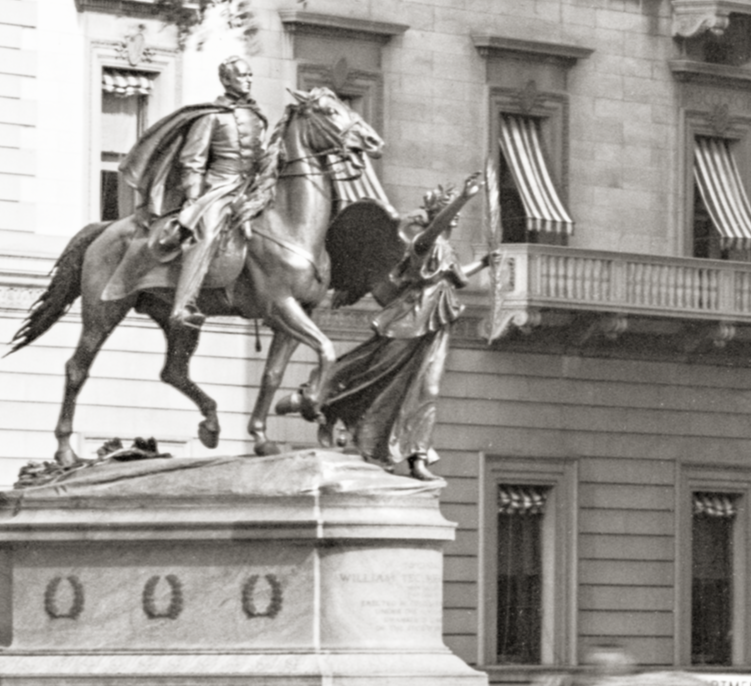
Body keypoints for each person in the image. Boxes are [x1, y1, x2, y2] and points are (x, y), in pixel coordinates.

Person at [282, 175, 497, 482]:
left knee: (428, 390)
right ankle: (320, 400)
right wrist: (463, 197)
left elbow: (457, 277)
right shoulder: (424, 243)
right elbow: (434, 233)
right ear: (437, 216)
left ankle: (417, 457)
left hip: (438, 323)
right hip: (411, 319)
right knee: (374, 370)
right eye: (450, 211)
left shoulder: (447, 251)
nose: (457, 217)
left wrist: (485, 263)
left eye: (456, 212)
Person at [113, 57, 268, 327]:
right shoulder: (211, 116)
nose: (248, 80)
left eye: (250, 75)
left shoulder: (257, 117)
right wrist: (194, 197)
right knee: (205, 235)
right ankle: (183, 304)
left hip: (251, 188)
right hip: (219, 188)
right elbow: (192, 159)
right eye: (242, 75)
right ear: (227, 80)